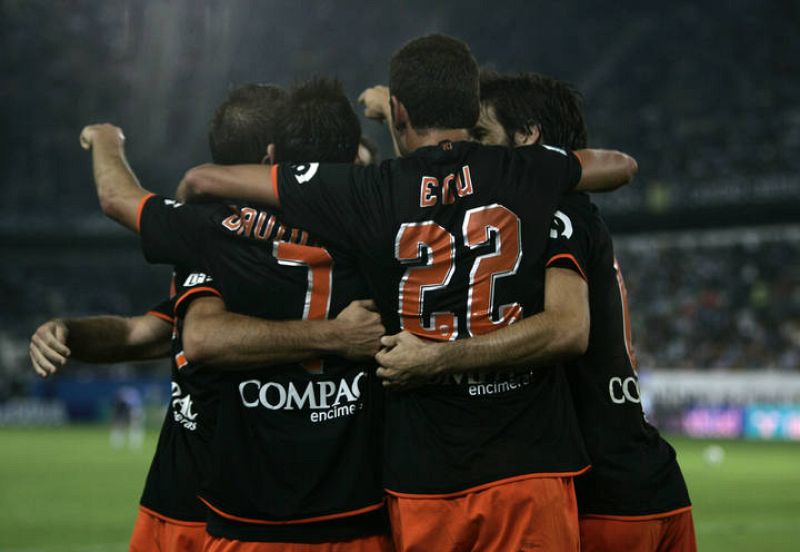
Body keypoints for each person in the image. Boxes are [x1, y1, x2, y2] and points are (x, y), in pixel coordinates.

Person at [178, 34, 637, 551]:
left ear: (399, 113)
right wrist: (553, 168)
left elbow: (205, 179)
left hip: (425, 476)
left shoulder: (370, 189)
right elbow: (620, 165)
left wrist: (191, 207)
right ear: (471, 104)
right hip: (529, 466)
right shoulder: (527, 170)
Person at [378, 70, 696, 552]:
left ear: (528, 138)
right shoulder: (579, 211)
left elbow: (567, 329)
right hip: (649, 480)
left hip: (602, 498)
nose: (474, 154)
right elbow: (433, 180)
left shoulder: (551, 215)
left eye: (482, 136)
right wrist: (401, 118)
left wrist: (435, 358)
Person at [80, 78, 392, 551]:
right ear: (352, 162)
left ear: (270, 158)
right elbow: (426, 178)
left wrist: (106, 138)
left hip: (247, 515)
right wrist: (392, 112)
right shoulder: (384, 229)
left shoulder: (215, 228)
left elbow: (118, 198)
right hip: (354, 514)